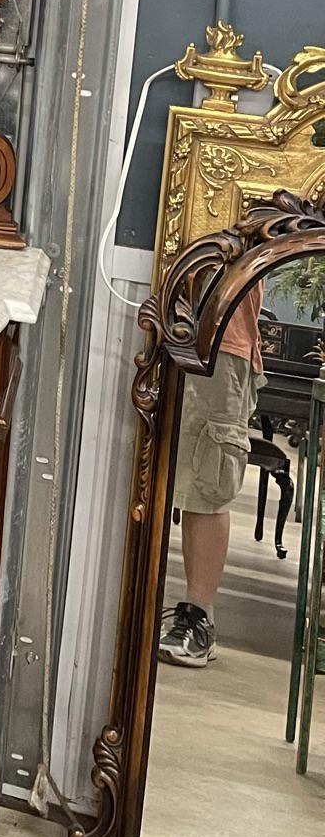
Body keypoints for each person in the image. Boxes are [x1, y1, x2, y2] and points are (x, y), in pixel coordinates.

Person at [159, 278, 265, 667]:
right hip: (161, 320)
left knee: (207, 482)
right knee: (142, 469)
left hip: (222, 336)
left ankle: (198, 616)